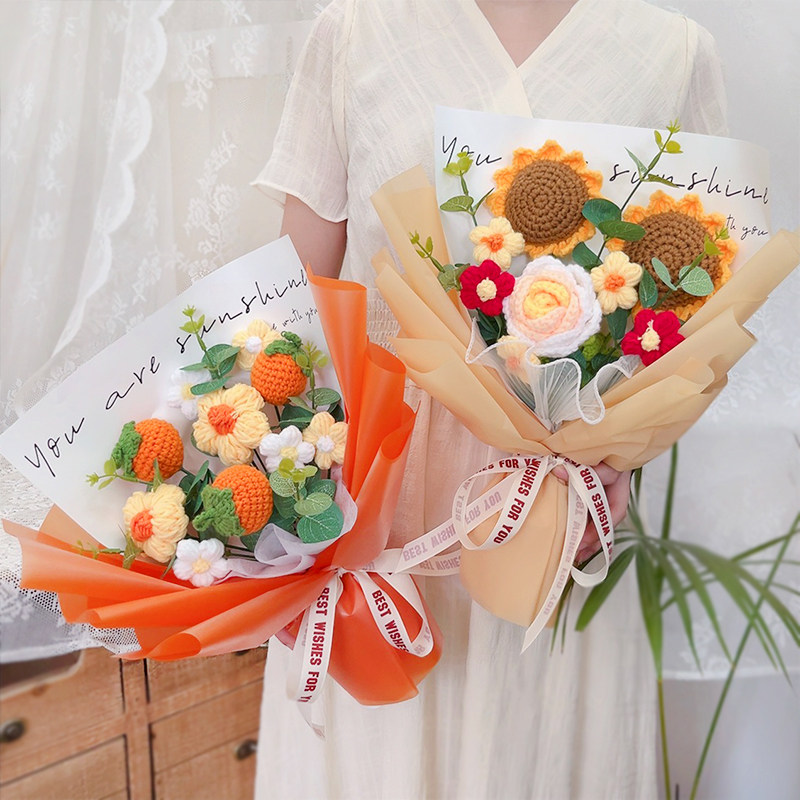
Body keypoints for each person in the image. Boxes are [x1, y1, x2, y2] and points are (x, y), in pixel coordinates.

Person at [253, 1, 728, 797]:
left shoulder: (673, 52)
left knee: (541, 749)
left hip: (565, 500)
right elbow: (290, 300)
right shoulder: (356, 31)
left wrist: (623, 456)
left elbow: (697, 296)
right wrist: (273, 489)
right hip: (374, 503)